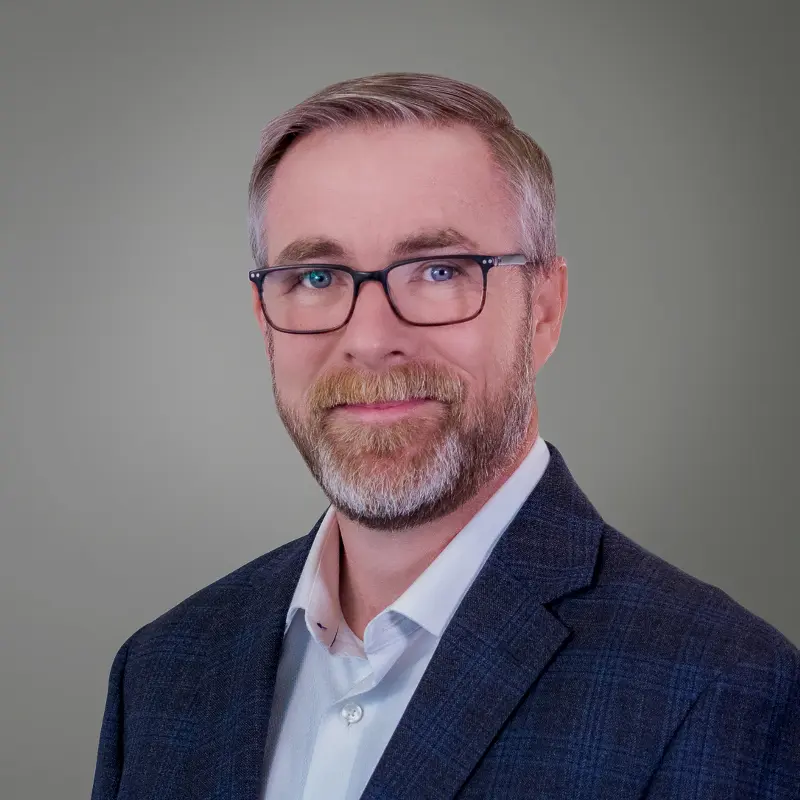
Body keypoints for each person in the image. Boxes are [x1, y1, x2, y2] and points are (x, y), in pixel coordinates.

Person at [91, 73, 799, 800]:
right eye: (317, 278)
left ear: (545, 307)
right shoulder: (160, 672)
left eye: (437, 271)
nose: (371, 340)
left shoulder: (724, 689)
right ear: (263, 316)